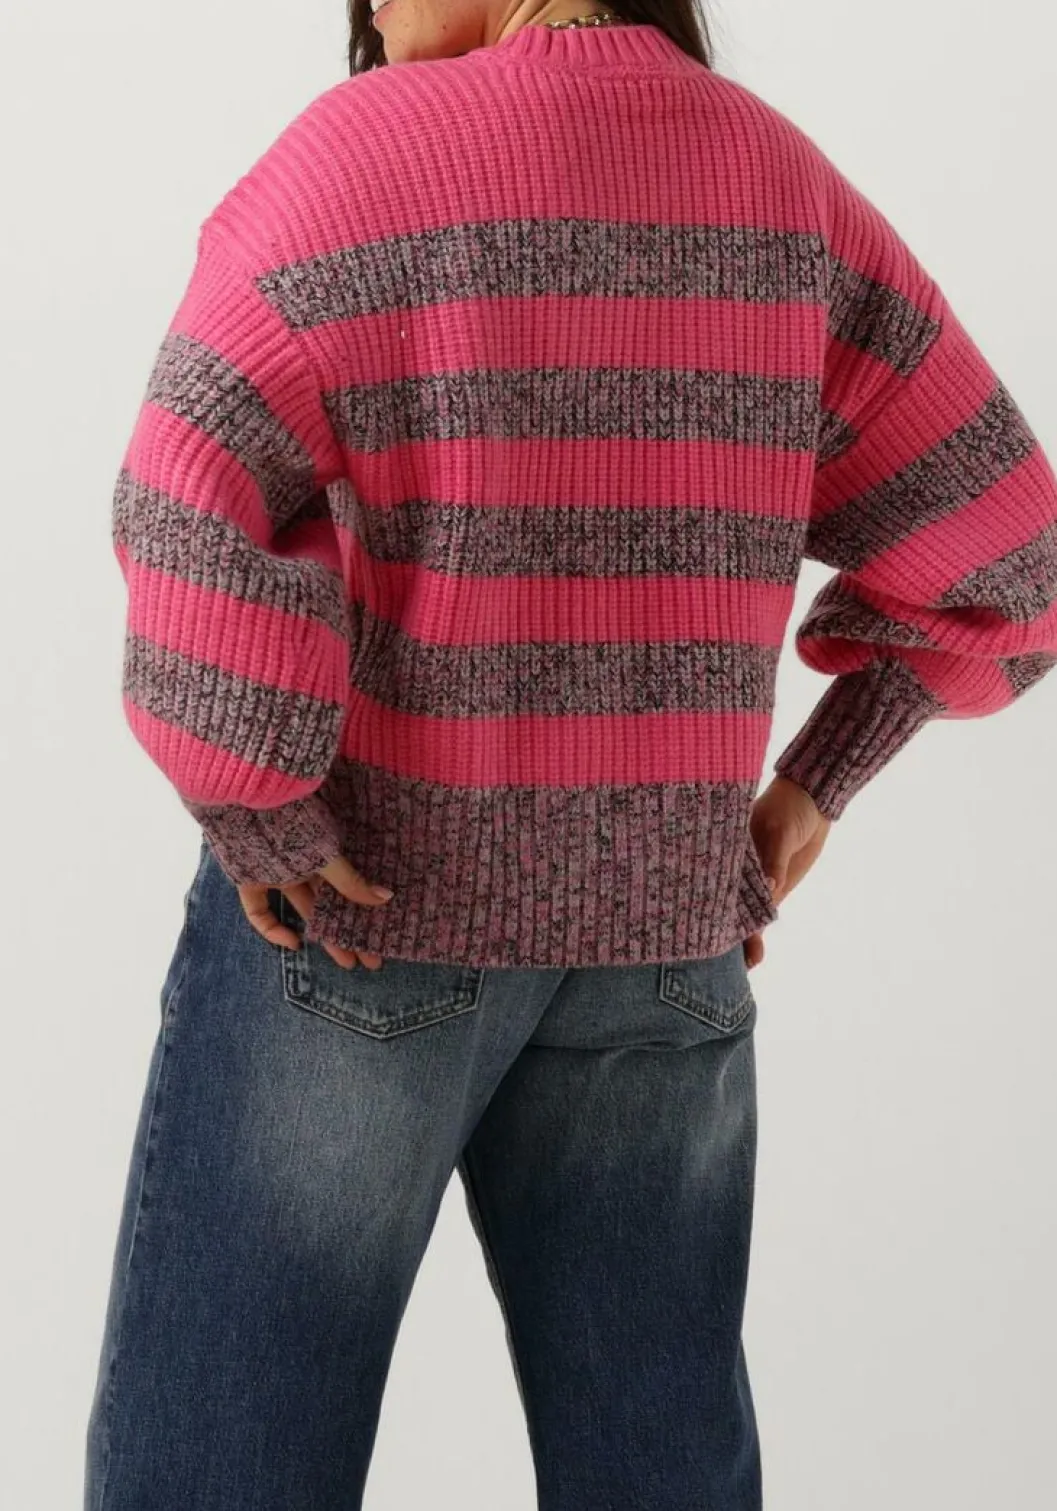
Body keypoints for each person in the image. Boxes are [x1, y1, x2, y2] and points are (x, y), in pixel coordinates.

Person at [84, 2, 1057, 1507]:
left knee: (222, 1470)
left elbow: (184, 491)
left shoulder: (355, 166)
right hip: (667, 942)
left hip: (356, 931)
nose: (372, 25)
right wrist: (811, 787)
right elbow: (1014, 555)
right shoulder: (783, 188)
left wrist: (260, 799)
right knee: (659, 1470)